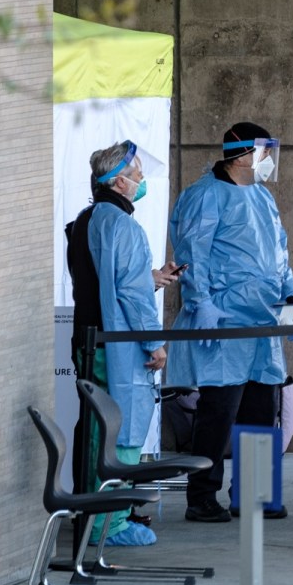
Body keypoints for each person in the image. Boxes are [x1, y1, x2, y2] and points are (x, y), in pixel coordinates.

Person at [169, 121, 293, 523]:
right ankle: (201, 496)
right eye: (263, 152)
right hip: (224, 319)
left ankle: (256, 494)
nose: (268, 160)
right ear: (243, 155)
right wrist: (201, 302)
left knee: (261, 408)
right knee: (218, 412)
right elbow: (193, 252)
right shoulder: (205, 196)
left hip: (262, 319)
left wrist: (289, 295)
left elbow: (279, 250)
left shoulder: (262, 196)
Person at [65, 140, 172, 547]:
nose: (142, 181)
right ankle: (110, 521)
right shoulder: (124, 226)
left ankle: (97, 516)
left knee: (97, 429)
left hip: (90, 341)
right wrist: (154, 344)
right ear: (119, 182)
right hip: (118, 347)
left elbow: (106, 283)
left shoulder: (86, 219)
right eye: (138, 174)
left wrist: (150, 278)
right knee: (118, 432)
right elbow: (131, 295)